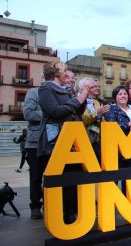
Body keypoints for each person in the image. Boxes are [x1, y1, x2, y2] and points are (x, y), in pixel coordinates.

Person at [37, 61, 89, 224]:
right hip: (56, 141)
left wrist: (81, 99)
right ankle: (60, 213)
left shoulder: (65, 91)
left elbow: (75, 111)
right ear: (55, 72)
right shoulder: (46, 88)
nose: (67, 73)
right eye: (64, 70)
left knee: (73, 176)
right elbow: (55, 111)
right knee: (60, 178)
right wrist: (78, 99)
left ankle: (72, 211)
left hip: (72, 140)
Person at [104, 85, 131, 198]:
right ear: (115, 97)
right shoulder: (111, 108)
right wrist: (128, 124)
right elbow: (112, 127)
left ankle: (129, 199)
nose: (123, 96)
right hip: (118, 148)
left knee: (130, 175)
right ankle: (111, 202)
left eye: (124, 93)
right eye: (120, 94)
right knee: (115, 176)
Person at [23, 82, 44, 219]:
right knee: (36, 177)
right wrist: (50, 112)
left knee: (52, 177)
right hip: (34, 143)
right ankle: (35, 206)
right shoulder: (33, 93)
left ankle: (50, 202)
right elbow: (28, 114)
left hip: (53, 143)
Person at [79, 77, 110, 160]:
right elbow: (83, 120)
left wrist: (101, 116)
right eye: (89, 87)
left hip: (96, 141)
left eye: (92, 87)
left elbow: (102, 122)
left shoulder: (95, 102)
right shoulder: (76, 101)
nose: (92, 90)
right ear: (80, 88)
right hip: (81, 141)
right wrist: (97, 113)